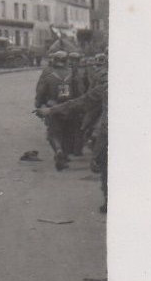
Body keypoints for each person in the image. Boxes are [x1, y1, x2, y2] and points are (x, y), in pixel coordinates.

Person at [38, 62, 108, 212]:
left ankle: (109, 200)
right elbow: (81, 94)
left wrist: (50, 109)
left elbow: (82, 100)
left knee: (102, 164)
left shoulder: (104, 88)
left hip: (106, 133)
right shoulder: (74, 75)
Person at [35, 50, 74, 170]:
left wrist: (38, 105)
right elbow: (81, 90)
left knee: (53, 132)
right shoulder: (72, 74)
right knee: (67, 132)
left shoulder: (49, 76)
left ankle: (58, 150)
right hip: (69, 107)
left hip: (52, 106)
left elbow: (40, 92)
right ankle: (65, 154)